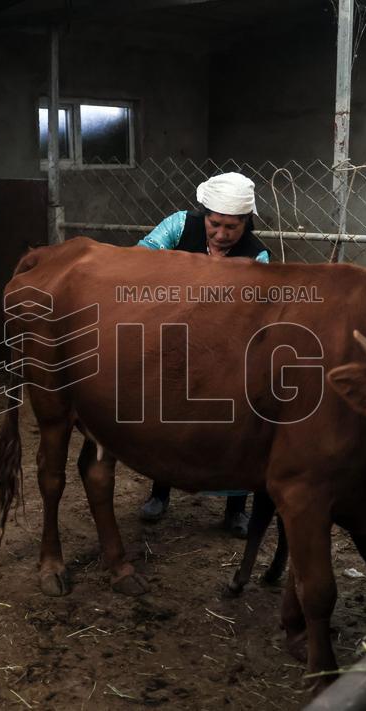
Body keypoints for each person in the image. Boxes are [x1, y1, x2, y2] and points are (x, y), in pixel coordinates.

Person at [134, 172, 271, 538]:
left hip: (224, 348)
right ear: (204, 215)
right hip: (174, 337)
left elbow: (249, 310)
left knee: (235, 426)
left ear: (246, 222)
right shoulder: (180, 226)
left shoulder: (257, 254)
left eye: (232, 227)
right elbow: (139, 259)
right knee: (168, 416)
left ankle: (235, 509)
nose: (222, 234)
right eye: (215, 224)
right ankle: (160, 492)